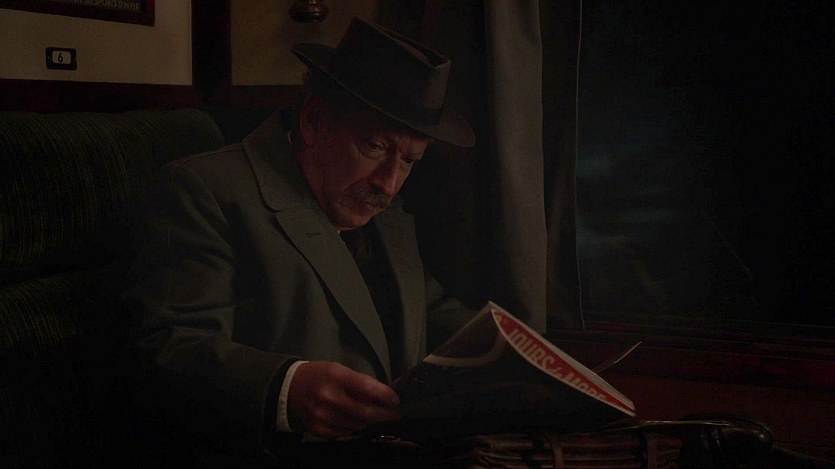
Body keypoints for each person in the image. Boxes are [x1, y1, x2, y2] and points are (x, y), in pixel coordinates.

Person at [123, 16, 477, 465]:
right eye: (373, 147)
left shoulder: (385, 212)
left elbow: (430, 309)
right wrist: (286, 389)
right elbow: (171, 347)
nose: (389, 184)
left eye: (409, 160)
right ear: (313, 120)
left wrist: (518, 351)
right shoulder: (205, 190)